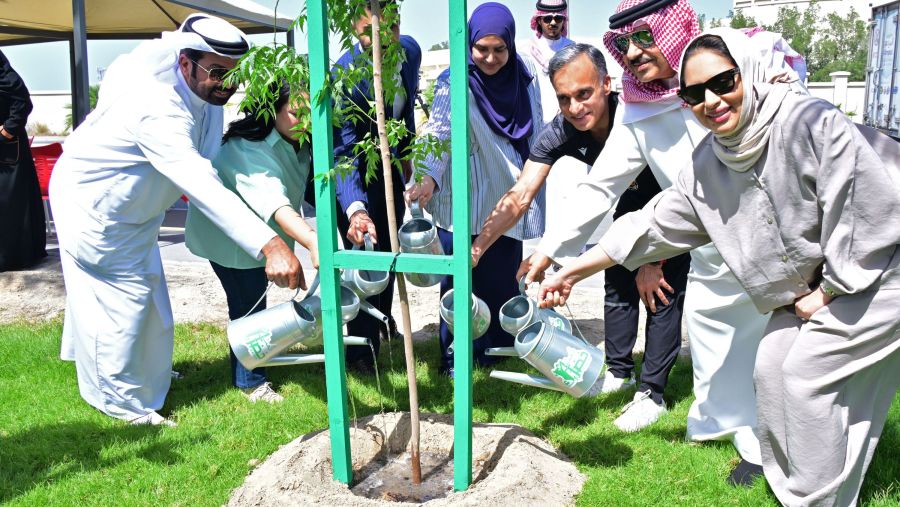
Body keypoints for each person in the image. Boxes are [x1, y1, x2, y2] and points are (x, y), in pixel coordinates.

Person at [539, 27, 900, 506]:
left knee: (804, 375)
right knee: (771, 370)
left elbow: (863, 211)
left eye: (724, 82)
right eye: (694, 94)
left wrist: (828, 291)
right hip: (824, 282)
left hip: (879, 269)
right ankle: (798, 484)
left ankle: (822, 498)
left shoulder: (807, 120)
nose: (712, 100)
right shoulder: (713, 160)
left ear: (746, 74)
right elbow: (654, 223)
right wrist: (571, 270)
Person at [518, 0, 806, 483]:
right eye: (624, 44)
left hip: (774, 237)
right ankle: (749, 437)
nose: (633, 53)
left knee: (784, 351)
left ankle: (787, 451)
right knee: (719, 356)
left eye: (645, 37)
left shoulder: (730, 67)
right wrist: (550, 250)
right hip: (711, 252)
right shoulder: (638, 105)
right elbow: (600, 188)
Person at [50, 14, 302, 427]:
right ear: (185, 63)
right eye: (217, 72)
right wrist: (269, 243)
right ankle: (122, 405)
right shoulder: (157, 105)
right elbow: (199, 180)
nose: (227, 83)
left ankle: (144, 375)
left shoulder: (204, 94)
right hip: (95, 210)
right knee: (121, 308)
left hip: (135, 213)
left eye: (235, 74)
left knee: (152, 305)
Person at [472, 42, 690, 431]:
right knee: (618, 284)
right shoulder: (560, 131)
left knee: (659, 290)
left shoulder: (640, 114)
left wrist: (654, 260)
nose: (575, 108)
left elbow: (682, 191)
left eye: (584, 94)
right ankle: (619, 373)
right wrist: (478, 247)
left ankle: (652, 392)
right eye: (564, 98)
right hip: (628, 204)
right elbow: (521, 194)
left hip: (676, 202)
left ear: (607, 84)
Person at [405, 2, 543, 376]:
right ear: (469, 45)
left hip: (506, 195)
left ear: (511, 46)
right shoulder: (454, 81)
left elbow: (537, 133)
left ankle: (497, 353)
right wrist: (428, 179)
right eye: (482, 49)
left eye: (500, 49)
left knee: (500, 281)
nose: (491, 58)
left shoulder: (525, 77)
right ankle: (457, 357)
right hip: (461, 197)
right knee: (459, 285)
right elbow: (439, 134)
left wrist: (534, 179)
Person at [185, 82, 318, 403]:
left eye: (311, 113)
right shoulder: (247, 148)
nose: (306, 120)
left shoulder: (299, 140)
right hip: (231, 241)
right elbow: (276, 202)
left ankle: (253, 369)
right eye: (296, 113)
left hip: (265, 236)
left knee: (255, 305)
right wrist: (313, 240)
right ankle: (251, 382)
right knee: (248, 309)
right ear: (271, 112)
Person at [332, 0, 421, 373]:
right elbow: (344, 151)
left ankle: (384, 323)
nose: (383, 41)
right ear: (355, 28)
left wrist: (407, 167)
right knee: (367, 261)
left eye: (390, 29)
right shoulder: (344, 76)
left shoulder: (411, 53)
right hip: (354, 181)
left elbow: (405, 112)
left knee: (391, 253)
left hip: (389, 175)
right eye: (372, 33)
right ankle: (360, 351)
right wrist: (356, 208)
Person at [0, 49, 46, 271]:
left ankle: (14, 257)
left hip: (9, 153)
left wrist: (7, 131)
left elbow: (23, 102)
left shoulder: (7, 78)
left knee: (10, 204)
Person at [522, 0, 575, 74]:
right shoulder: (528, 50)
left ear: (563, 21)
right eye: (547, 19)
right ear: (539, 21)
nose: (553, 23)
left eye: (558, 18)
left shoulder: (573, 49)